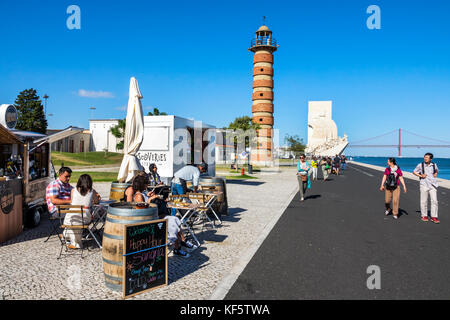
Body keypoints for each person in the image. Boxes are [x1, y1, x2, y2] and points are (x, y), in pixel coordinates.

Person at [63, 174, 101, 249]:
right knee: (78, 220)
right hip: (84, 218)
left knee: (73, 221)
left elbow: (72, 202)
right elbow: (97, 202)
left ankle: (67, 236)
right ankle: (73, 241)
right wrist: (96, 198)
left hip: (70, 218)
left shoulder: (73, 190)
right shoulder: (92, 191)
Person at [413, 153, 440, 223]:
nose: (425, 158)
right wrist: (421, 175)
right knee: (423, 201)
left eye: (427, 157)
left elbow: (436, 170)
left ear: (431, 159)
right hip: (424, 184)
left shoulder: (434, 165)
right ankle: (424, 215)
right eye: (425, 157)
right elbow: (414, 172)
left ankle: (434, 216)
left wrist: (435, 174)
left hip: (433, 185)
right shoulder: (420, 165)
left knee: (434, 201)